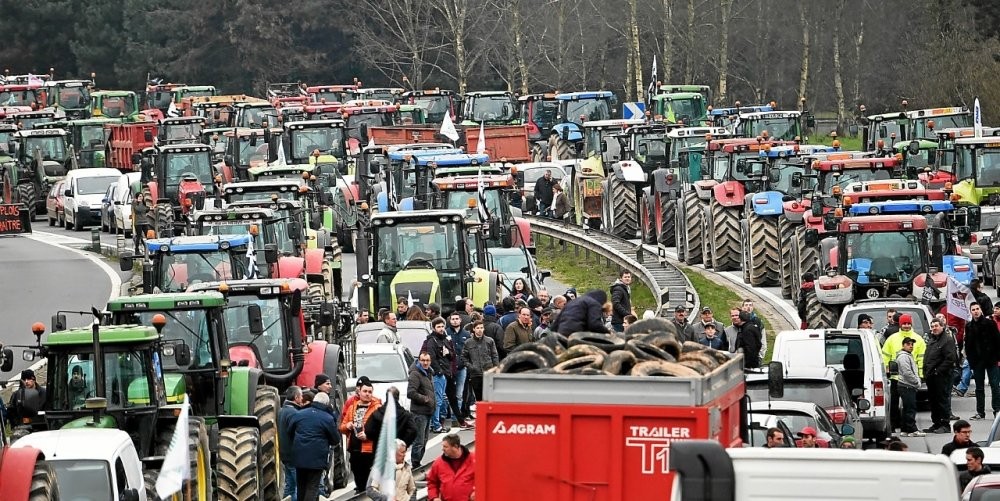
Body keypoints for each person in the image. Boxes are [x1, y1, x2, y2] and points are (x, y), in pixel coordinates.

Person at [287, 391, 341, 501]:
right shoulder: (327, 418)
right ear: (326, 404)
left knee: (301, 486)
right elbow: (335, 439)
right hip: (317, 458)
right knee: (312, 486)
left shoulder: (299, 414)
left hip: (299, 456)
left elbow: (290, 431)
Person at [424, 317, 470, 432]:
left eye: (442, 326)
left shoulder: (446, 339)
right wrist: (439, 371)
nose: (441, 329)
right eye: (438, 327)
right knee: (439, 400)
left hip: (448, 373)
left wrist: (448, 353)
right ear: (434, 328)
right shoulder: (431, 341)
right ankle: (436, 424)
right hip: (439, 374)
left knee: (452, 398)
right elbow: (432, 358)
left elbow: (452, 355)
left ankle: (459, 420)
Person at [882, 314, 926, 430]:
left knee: (909, 404)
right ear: (900, 324)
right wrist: (886, 370)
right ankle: (894, 423)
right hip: (895, 377)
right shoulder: (892, 338)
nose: (906, 326)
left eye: (908, 323)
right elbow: (885, 355)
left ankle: (906, 425)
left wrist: (920, 376)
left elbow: (921, 359)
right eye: (904, 323)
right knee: (893, 402)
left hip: (910, 378)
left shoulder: (919, 339)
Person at [339, 379, 383, 494]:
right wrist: (347, 426)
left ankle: (367, 493)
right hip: (354, 448)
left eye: (370, 392)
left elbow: (382, 429)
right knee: (357, 473)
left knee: (368, 476)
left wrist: (368, 435)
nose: (367, 394)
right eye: (365, 391)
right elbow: (342, 427)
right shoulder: (352, 407)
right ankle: (360, 491)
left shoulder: (377, 408)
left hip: (369, 449)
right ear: (359, 392)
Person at [964, 303, 1000, 420]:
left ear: (981, 310)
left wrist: (997, 357)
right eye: (973, 310)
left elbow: (997, 341)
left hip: (991, 360)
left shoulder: (990, 324)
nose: (975, 311)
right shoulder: (969, 326)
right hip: (977, 361)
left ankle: (997, 410)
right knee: (979, 388)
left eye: (977, 309)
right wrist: (971, 360)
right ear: (971, 312)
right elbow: (968, 345)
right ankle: (980, 412)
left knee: (995, 386)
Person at [924, 318, 959, 433]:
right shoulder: (932, 340)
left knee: (942, 400)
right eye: (932, 326)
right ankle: (936, 423)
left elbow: (950, 359)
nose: (934, 328)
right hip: (931, 377)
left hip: (942, 376)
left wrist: (937, 371)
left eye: (936, 326)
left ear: (942, 327)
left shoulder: (947, 340)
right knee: (933, 401)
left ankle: (945, 425)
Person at [365, 387, 418, 451]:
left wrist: (377, 440)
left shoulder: (377, 414)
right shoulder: (406, 415)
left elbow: (368, 430)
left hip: (380, 450)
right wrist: (404, 443)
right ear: (398, 398)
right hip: (398, 450)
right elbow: (413, 430)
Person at [407, 351, 436, 467]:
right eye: (423, 360)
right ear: (419, 360)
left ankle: (417, 463)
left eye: (427, 360)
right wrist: (425, 399)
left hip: (428, 411)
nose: (425, 363)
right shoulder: (415, 374)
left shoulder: (429, 373)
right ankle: (415, 463)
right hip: (419, 412)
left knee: (424, 440)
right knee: (419, 441)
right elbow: (411, 392)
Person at [427, 434, 476, 501]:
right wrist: (434, 497)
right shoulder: (438, 463)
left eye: (445, 447)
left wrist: (477, 492)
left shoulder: (474, 460)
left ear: (455, 447)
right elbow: (432, 482)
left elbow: (486, 480)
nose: (443, 449)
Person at [462, 321, 499, 402]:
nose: (480, 330)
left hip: (488, 373)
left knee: (489, 397)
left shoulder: (489, 341)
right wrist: (471, 367)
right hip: (475, 374)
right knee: (478, 398)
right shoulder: (468, 342)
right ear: (474, 329)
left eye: (481, 328)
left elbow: (494, 356)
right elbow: (464, 357)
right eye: (478, 328)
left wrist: (495, 369)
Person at [278, 386, 304, 500]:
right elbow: (296, 433)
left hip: (285, 453)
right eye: (301, 396)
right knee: (299, 485)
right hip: (294, 454)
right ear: (296, 397)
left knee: (290, 486)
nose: (302, 399)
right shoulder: (293, 413)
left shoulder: (282, 411)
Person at [896, 337, 925, 437]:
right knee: (910, 408)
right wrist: (916, 382)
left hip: (906, 385)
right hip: (907, 385)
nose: (911, 346)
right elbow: (907, 372)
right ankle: (912, 429)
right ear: (903, 345)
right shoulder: (904, 357)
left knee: (906, 408)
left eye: (912, 344)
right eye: (908, 344)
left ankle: (905, 429)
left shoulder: (907, 355)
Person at [445, 312, 470, 419]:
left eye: (456, 319)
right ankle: (447, 415)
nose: (455, 321)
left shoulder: (466, 334)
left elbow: (469, 351)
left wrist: (466, 363)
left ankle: (456, 418)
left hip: (461, 367)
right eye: (453, 319)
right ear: (450, 321)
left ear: (460, 320)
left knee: (459, 394)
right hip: (448, 368)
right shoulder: (446, 333)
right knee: (448, 394)